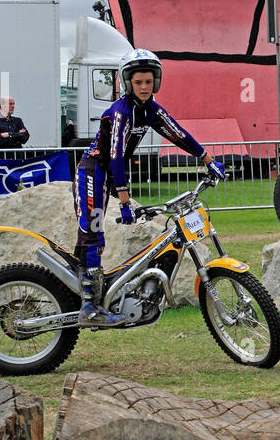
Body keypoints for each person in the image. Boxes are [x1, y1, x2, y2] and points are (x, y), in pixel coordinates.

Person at [74, 49, 226, 326]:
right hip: (93, 170)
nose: (144, 87)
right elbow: (115, 155)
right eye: (138, 82)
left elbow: (177, 133)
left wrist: (207, 159)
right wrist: (123, 200)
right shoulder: (121, 112)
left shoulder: (151, 110)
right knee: (93, 231)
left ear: (155, 82)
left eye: (148, 82)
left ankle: (87, 285)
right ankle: (88, 307)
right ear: (127, 83)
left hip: (107, 175)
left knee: (92, 235)